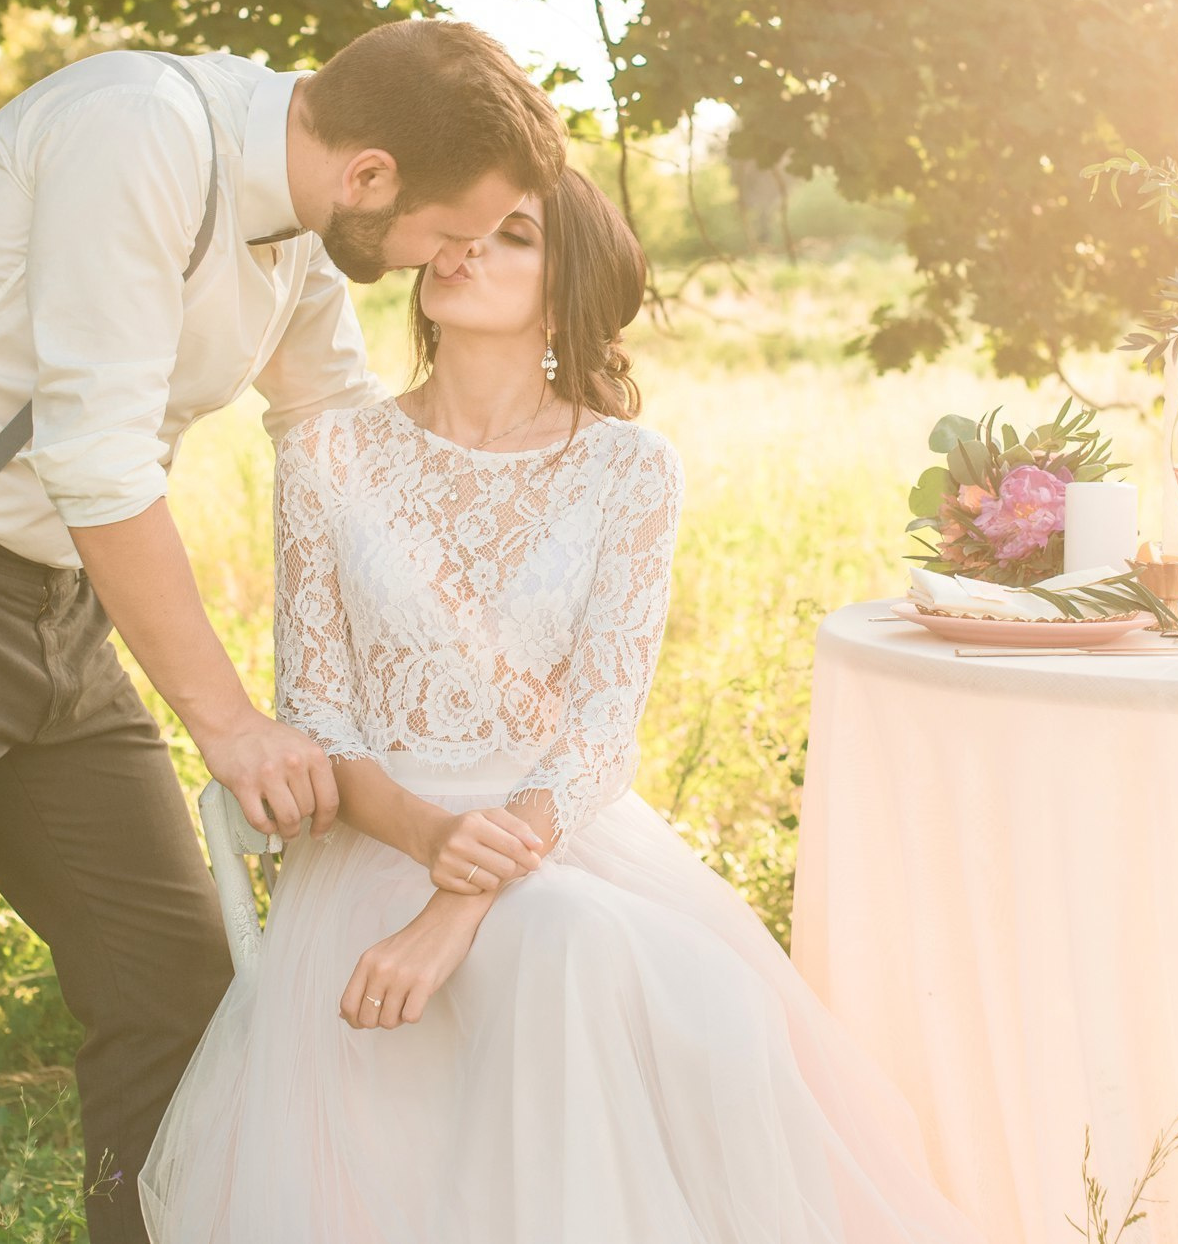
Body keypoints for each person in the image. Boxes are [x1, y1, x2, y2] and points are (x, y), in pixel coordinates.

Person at [0, 20, 566, 1241]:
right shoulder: (139, 135)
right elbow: (96, 456)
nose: (451, 260)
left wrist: (481, 634)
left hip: (56, 607)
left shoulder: (305, 215)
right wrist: (229, 724)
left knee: (177, 987)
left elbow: (333, 429)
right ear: (372, 176)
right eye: (449, 233)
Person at [139, 173, 983, 1243]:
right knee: (574, 944)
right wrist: (432, 844)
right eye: (458, 229)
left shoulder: (630, 469)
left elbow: (599, 735)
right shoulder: (327, 455)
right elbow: (320, 716)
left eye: (514, 237)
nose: (464, 249)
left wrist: (456, 906)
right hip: (380, 836)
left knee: (701, 999)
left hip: (562, 833)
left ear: (565, 292)